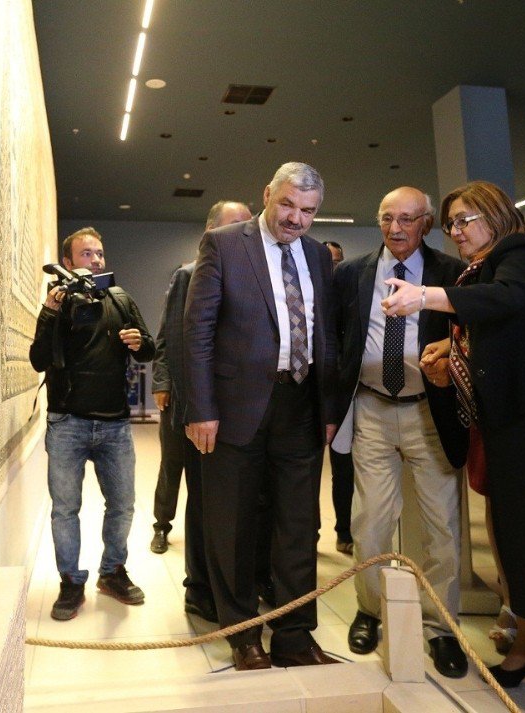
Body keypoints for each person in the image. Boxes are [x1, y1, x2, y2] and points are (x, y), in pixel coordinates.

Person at [384, 181, 525, 713]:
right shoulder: (484, 268)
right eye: (452, 223)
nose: (457, 232)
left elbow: (510, 299)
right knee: (515, 541)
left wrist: (426, 298)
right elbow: (504, 328)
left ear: (498, 216)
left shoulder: (521, 253)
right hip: (513, 425)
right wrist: (451, 347)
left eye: (465, 220)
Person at [184, 162, 338, 671]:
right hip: (233, 410)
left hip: (299, 406)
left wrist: (330, 408)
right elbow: (197, 332)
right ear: (267, 193)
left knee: (299, 525)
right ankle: (243, 633)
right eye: (288, 205)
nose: (296, 219)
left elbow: (324, 336)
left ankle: (295, 635)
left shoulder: (317, 255)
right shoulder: (226, 244)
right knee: (233, 523)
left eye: (308, 211)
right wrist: (201, 408)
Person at [331, 187, 469, 678]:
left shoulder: (452, 274)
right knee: (369, 520)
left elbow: (472, 338)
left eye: (407, 219)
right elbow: (336, 340)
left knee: (441, 527)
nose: (396, 228)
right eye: (387, 217)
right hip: (370, 407)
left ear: (426, 224)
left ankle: (439, 627)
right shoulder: (351, 273)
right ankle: (371, 610)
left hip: (430, 413)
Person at [29, 227, 155, 621]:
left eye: (99, 254)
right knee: (65, 509)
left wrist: (139, 342)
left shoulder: (121, 299)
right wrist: (50, 312)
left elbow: (149, 349)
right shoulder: (58, 304)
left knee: (122, 504)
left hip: (115, 424)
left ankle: (112, 572)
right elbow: (37, 359)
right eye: (86, 255)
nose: (96, 260)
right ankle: (70, 581)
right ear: (68, 263)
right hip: (67, 422)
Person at [149, 200, 252, 623]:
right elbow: (175, 340)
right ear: (210, 233)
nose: (241, 234)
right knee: (204, 501)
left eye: (246, 227)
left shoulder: (252, 278)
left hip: (242, 414)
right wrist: (176, 396)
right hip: (202, 412)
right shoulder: (189, 275)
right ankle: (198, 587)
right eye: (232, 226)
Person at [323, 241, 355, 554]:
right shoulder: (311, 298)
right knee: (339, 468)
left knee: (348, 466)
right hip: (320, 395)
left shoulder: (352, 296)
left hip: (351, 392)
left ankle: (346, 530)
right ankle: (339, 530)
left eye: (338, 260)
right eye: (327, 261)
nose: (333, 267)